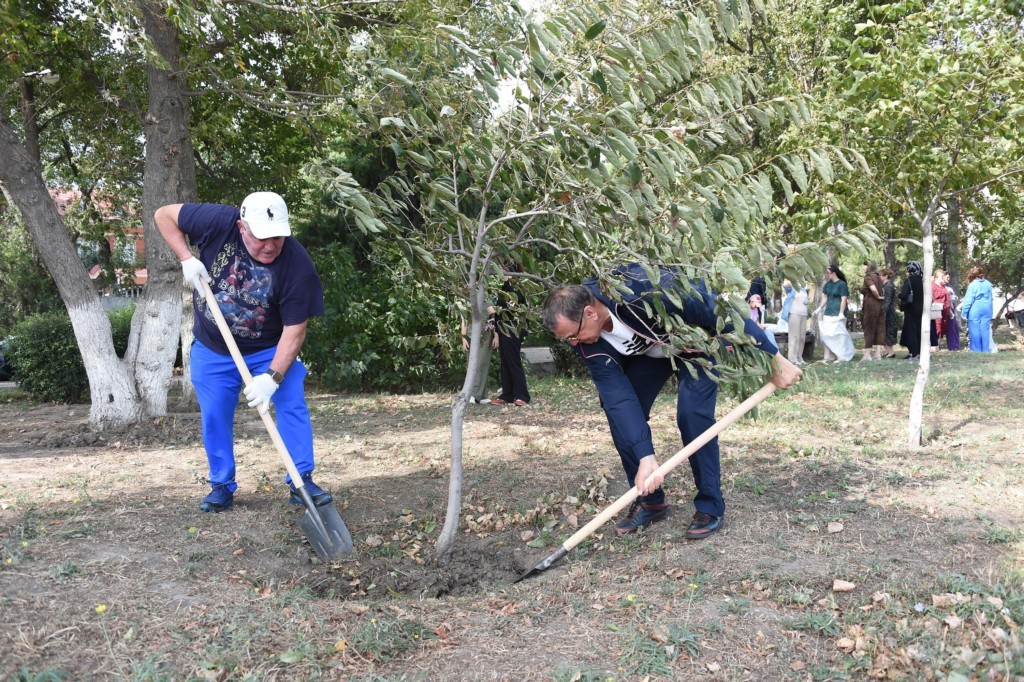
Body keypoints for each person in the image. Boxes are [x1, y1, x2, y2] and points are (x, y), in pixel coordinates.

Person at [542, 265, 802, 540]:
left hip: (697, 342)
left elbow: (713, 309)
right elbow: (618, 396)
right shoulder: (588, 341)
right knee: (618, 415)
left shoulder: (640, 290)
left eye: (573, 335)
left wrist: (773, 357)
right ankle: (650, 500)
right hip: (651, 354)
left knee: (692, 413)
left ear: (590, 312)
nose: (573, 344)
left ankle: (710, 506)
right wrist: (645, 456)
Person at [155, 192, 332, 513]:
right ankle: (221, 484)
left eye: (277, 237)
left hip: (270, 349)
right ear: (242, 227)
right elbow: (164, 215)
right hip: (213, 347)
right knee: (215, 415)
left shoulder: (297, 266)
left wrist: (273, 377)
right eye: (262, 238)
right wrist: (186, 258)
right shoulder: (218, 221)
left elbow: (295, 331)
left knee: (291, 403)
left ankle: (301, 480)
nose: (270, 246)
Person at [492, 274, 531, 406]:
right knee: (505, 361)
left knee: (513, 361)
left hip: (513, 329)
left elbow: (513, 305)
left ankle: (522, 396)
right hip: (503, 328)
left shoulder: (516, 287)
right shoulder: (502, 287)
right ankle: (507, 395)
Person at [815, 264, 855, 363]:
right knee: (828, 334)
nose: (826, 275)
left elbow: (843, 299)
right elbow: (825, 298)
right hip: (828, 311)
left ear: (834, 273)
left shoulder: (842, 284)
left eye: (828, 273)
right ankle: (828, 356)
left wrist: (841, 313)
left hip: (838, 312)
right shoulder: (828, 284)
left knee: (840, 334)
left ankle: (841, 355)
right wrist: (819, 308)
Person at [461, 309, 498, 404]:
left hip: (485, 338)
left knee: (482, 364)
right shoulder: (467, 301)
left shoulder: (488, 303)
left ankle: (479, 396)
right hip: (470, 336)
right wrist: (464, 337)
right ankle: (474, 395)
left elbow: (494, 322)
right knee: (472, 365)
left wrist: (495, 335)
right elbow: (464, 320)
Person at [961, 265, 994, 353]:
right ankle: (986, 350)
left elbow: (968, 301)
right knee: (985, 330)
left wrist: (964, 313)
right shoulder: (988, 284)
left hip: (975, 310)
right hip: (987, 310)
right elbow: (991, 299)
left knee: (974, 330)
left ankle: (976, 350)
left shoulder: (972, 285)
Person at [898, 261, 925, 359]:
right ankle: (920, 352)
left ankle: (913, 353)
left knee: (911, 331)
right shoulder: (923, 281)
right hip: (922, 309)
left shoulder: (909, 280)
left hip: (911, 309)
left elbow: (903, 294)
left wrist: (899, 295)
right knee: (920, 330)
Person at [859, 261, 885, 361]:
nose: (863, 267)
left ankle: (867, 354)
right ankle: (878, 354)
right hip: (880, 305)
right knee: (880, 327)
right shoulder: (878, 277)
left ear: (869, 266)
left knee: (869, 327)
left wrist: (877, 296)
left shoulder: (868, 277)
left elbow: (873, 289)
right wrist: (880, 298)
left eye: (865, 265)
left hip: (871, 304)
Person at [786, 282, 810, 366]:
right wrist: (792, 281)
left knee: (802, 337)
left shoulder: (804, 289)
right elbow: (786, 285)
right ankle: (792, 359)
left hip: (803, 314)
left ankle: (799, 357)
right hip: (794, 313)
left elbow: (806, 301)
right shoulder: (792, 287)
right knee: (794, 337)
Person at [879, 268, 899, 358]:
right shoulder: (888, 285)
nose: (879, 277)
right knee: (888, 333)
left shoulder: (888, 287)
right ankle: (890, 352)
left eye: (880, 275)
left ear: (885, 276)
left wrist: (883, 312)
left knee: (884, 333)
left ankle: (891, 352)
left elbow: (887, 301)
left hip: (888, 313)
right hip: (890, 312)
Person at [931, 269, 951, 352]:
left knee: (942, 328)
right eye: (941, 276)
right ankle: (933, 345)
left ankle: (938, 345)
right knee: (936, 327)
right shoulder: (932, 286)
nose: (943, 278)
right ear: (936, 277)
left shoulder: (943, 286)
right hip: (936, 310)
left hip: (944, 311)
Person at [943, 272, 961, 351]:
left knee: (953, 327)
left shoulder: (949, 286)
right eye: (947, 277)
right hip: (945, 308)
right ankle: (952, 345)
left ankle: (954, 345)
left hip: (951, 308)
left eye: (949, 277)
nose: (948, 279)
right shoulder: (941, 286)